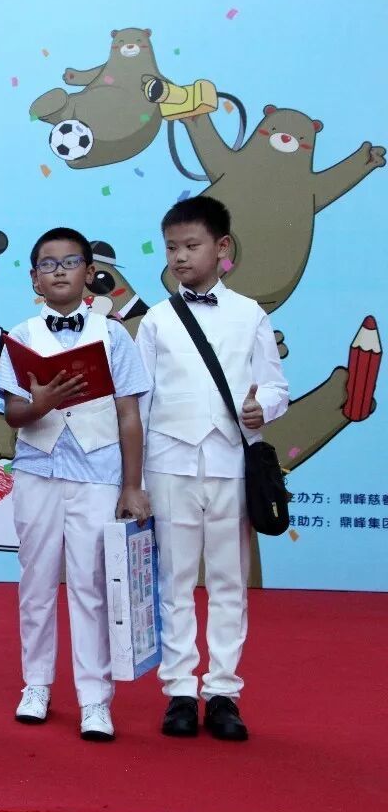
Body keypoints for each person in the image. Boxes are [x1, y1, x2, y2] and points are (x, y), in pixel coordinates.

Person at [137, 196, 288, 741]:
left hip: (229, 462)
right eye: (171, 247)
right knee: (174, 580)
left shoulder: (250, 314)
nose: (180, 257)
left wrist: (262, 407)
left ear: (222, 247)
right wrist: (137, 479)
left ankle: (223, 691)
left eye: (191, 245)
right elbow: (142, 401)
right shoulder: (156, 320)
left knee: (228, 580)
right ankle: (179, 690)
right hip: (169, 463)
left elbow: (276, 385)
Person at [0, 227, 151, 742]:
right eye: (48, 263)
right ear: (33, 278)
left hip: (98, 473)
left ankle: (94, 698)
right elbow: (13, 414)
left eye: (70, 262)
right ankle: (36, 685)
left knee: (90, 585)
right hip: (38, 470)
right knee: (36, 583)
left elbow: (129, 415)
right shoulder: (20, 336)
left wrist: (132, 485)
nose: (59, 271)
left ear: (89, 272)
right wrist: (40, 403)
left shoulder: (114, 335)